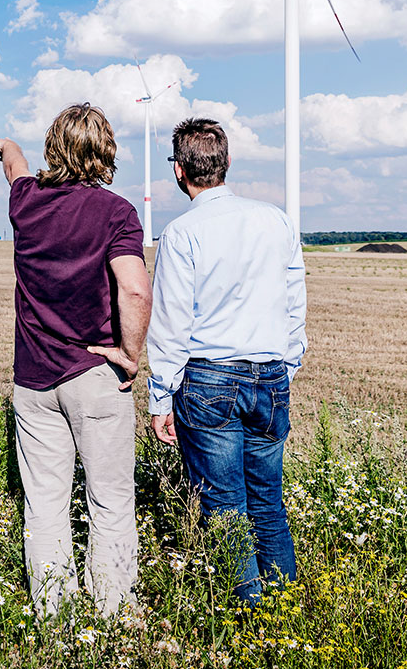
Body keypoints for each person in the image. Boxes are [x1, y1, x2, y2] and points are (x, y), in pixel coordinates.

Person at [0, 103, 152, 618]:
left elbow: (15, 167)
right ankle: (110, 614)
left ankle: (53, 616)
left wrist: (6, 147)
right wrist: (130, 355)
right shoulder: (117, 212)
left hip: (33, 379)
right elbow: (134, 287)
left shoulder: (27, 202)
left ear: (52, 151)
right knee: (109, 502)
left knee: (44, 505)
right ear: (106, 151)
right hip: (95, 374)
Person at [146, 117, 307, 605]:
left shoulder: (181, 232)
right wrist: (286, 367)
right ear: (228, 162)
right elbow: (293, 303)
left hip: (210, 379)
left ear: (179, 171)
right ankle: (284, 616)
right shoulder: (276, 220)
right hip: (271, 375)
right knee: (268, 504)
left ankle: (247, 618)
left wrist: (160, 397)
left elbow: (172, 322)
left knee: (226, 510)